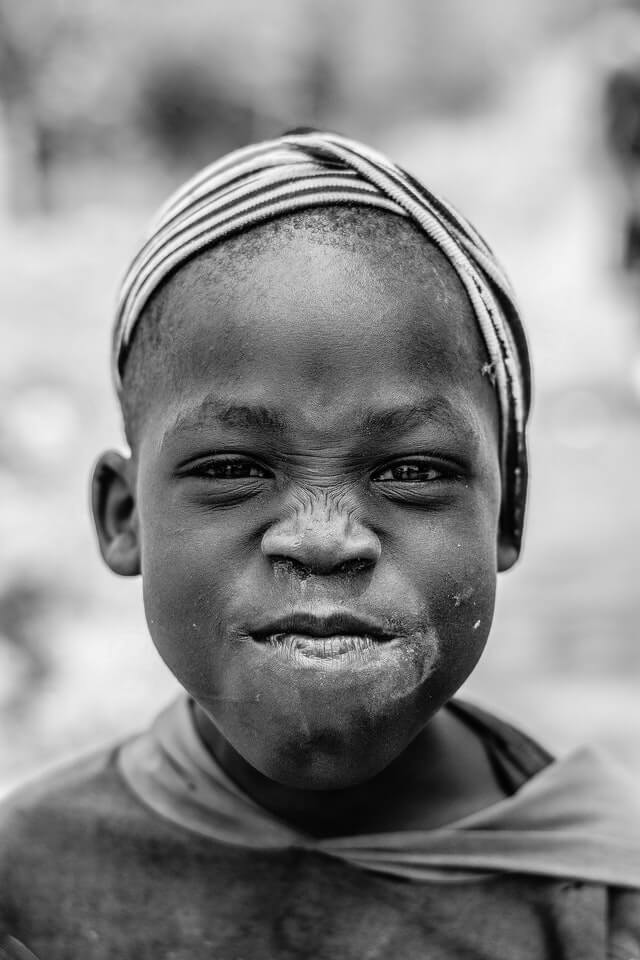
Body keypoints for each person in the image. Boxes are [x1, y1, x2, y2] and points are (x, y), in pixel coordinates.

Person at [0, 130, 638, 960]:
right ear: (124, 518)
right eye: (233, 469)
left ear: (508, 514)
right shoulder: (24, 886)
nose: (323, 540)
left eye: (411, 471)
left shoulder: (605, 907)